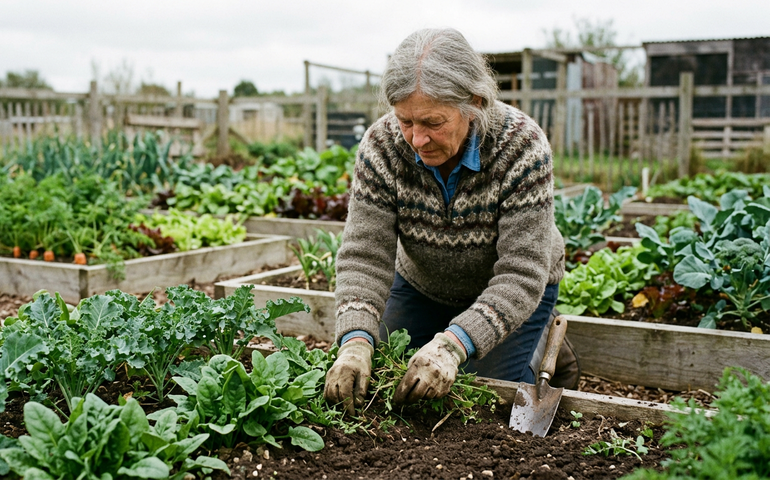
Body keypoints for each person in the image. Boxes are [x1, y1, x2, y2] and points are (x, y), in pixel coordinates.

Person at [324, 27, 572, 415]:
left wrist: (453, 346)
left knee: (485, 398)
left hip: (510, 290)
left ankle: (541, 339)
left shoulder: (522, 147)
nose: (416, 139)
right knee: (382, 377)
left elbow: (521, 274)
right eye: (406, 121)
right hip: (423, 285)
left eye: (432, 122)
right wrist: (355, 341)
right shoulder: (382, 146)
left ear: (474, 103)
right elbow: (363, 255)